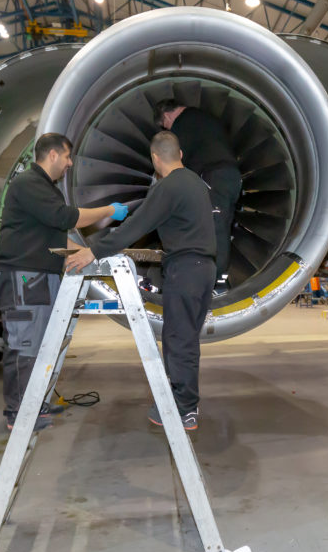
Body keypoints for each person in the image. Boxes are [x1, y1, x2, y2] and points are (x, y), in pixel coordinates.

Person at [65, 131, 215, 431]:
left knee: (178, 339)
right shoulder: (197, 183)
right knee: (186, 338)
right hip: (205, 269)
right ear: (180, 154)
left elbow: (136, 226)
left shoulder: (167, 187)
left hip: (185, 270)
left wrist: (93, 250)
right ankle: (186, 402)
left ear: (155, 160)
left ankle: (183, 409)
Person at [0, 132, 128, 431]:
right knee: (25, 343)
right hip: (23, 275)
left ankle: (34, 403)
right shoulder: (29, 184)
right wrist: (109, 211)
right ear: (52, 155)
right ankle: (18, 413)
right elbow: (66, 218)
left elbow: (55, 234)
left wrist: (94, 253)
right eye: (67, 157)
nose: (69, 164)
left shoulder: (44, 189)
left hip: (39, 275)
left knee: (42, 343)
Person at [155, 99, 240, 287]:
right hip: (232, 177)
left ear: (167, 116)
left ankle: (213, 280)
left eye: (165, 126)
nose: (169, 130)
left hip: (213, 178)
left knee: (214, 225)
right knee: (221, 225)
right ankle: (218, 278)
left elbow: (174, 164)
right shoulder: (206, 118)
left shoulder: (181, 124)